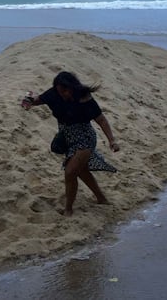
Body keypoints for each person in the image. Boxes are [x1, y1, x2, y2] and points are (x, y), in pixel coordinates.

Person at [21, 71, 120, 215]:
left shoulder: (84, 98)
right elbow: (36, 100)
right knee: (81, 171)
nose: (64, 94)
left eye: (66, 90)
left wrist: (112, 140)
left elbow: (101, 120)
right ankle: (101, 198)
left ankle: (68, 209)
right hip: (67, 137)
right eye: (61, 91)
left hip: (85, 137)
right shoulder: (53, 94)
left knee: (70, 172)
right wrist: (28, 100)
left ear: (73, 87)